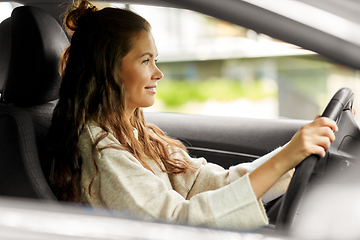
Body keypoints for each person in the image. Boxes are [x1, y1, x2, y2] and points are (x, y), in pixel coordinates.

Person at [48, 0, 338, 231]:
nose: (158, 73)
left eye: (155, 60)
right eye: (145, 60)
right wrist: (285, 159)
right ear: (107, 68)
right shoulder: (100, 151)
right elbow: (175, 223)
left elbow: (210, 182)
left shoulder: (136, 134)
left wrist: (289, 157)